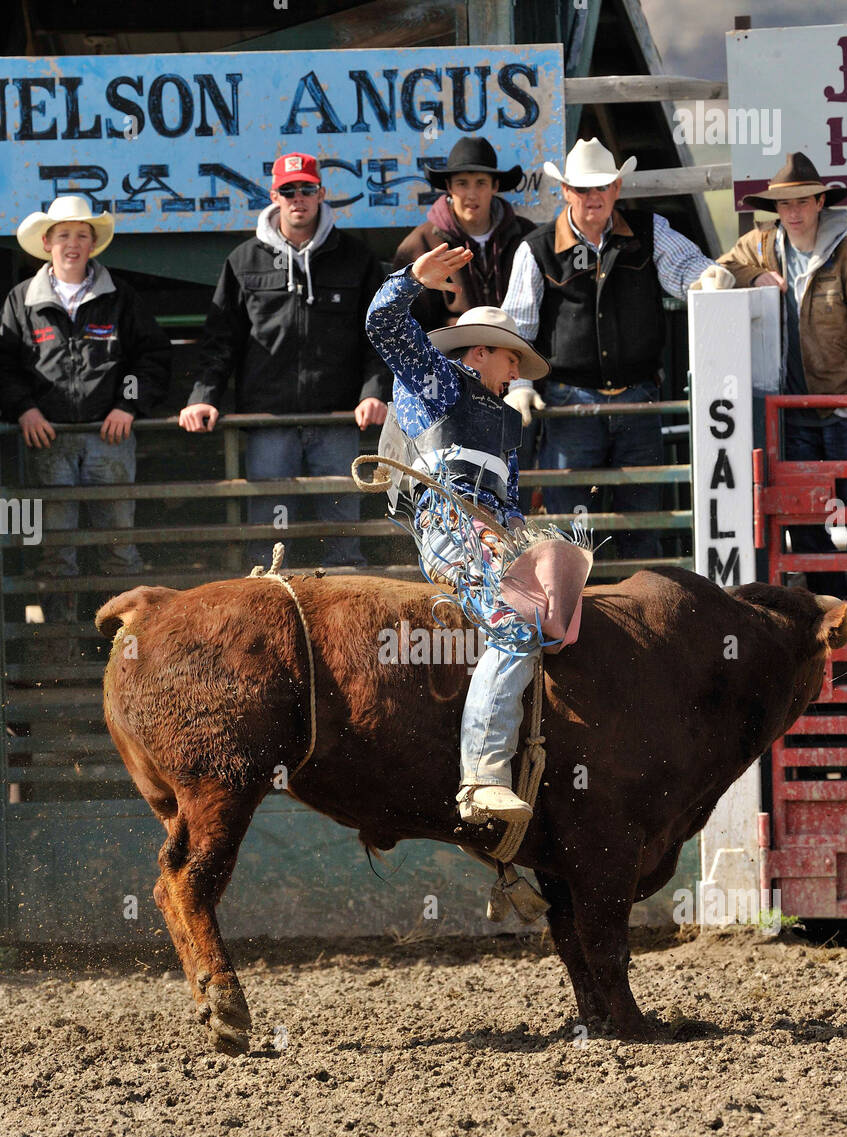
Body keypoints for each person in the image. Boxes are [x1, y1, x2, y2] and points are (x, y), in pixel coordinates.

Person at [366, 242, 552, 825]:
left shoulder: (502, 420)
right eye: (511, 358)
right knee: (515, 624)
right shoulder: (441, 383)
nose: (517, 370)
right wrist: (412, 279)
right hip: (450, 523)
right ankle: (481, 778)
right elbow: (384, 324)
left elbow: (509, 503)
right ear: (479, 353)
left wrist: (523, 540)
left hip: (490, 530)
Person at [501, 138, 733, 558]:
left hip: (637, 398)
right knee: (569, 528)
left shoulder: (649, 231)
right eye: (584, 189)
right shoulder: (535, 249)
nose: (594, 197)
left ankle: (637, 613)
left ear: (617, 189)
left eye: (603, 187)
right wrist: (516, 383)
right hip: (569, 402)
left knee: (640, 521)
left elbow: (687, 269)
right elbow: (517, 326)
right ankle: (574, 619)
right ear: (567, 192)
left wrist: (709, 278)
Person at [179, 152, 390, 569]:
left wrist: (374, 392)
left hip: (337, 419)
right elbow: (221, 338)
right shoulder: (243, 261)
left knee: (343, 535)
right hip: (268, 422)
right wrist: (204, 395)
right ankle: (272, 625)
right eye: (289, 190)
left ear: (321, 193)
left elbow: (378, 335)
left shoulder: (355, 257)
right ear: (274, 195)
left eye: (306, 189)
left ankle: (346, 630)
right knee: (269, 542)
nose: (299, 198)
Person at [0, 194, 170, 640]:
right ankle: (60, 648)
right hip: (46, 441)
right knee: (55, 550)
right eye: (63, 236)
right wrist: (24, 409)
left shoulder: (120, 298)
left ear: (93, 243)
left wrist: (127, 404)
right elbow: (5, 366)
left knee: (119, 547)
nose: (72, 244)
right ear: (47, 242)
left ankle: (123, 655)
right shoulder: (20, 301)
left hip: (109, 439)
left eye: (81, 235)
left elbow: (151, 356)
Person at [718, 151, 847, 590]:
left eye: (802, 202)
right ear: (776, 210)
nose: (794, 211)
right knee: (804, 520)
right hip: (792, 415)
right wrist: (753, 278)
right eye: (785, 204)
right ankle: (830, 617)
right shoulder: (761, 247)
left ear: (821, 203)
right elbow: (723, 269)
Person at [392, 136, 533, 330]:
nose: (471, 194)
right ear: (449, 187)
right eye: (462, 183)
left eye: (481, 183)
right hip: (449, 355)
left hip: (513, 351)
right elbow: (408, 321)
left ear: (495, 186)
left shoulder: (526, 236)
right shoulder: (420, 244)